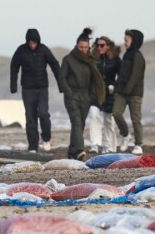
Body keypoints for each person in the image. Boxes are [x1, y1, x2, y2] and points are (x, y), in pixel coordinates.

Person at [10, 28, 64, 153]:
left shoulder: (43, 49)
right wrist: (14, 86)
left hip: (42, 88)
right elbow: (14, 67)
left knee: (43, 114)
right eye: (30, 43)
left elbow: (55, 65)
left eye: (34, 43)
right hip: (27, 89)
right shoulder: (21, 50)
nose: (32, 45)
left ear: (38, 42)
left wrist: (61, 85)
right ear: (27, 42)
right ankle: (33, 146)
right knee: (30, 118)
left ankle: (46, 138)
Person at [60, 29, 105, 161]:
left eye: (86, 47)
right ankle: (79, 151)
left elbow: (94, 79)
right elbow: (62, 78)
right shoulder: (68, 59)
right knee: (76, 123)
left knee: (81, 124)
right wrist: (69, 93)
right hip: (72, 95)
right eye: (81, 47)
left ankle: (71, 151)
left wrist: (91, 94)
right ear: (76, 46)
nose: (83, 50)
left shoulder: (90, 60)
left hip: (85, 96)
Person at [86, 35, 121, 154]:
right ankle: (95, 143)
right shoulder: (93, 58)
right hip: (96, 91)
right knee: (93, 114)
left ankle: (109, 145)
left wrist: (115, 87)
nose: (99, 47)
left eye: (102, 45)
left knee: (108, 119)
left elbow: (122, 76)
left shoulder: (116, 59)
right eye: (97, 45)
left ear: (108, 46)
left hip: (110, 92)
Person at [113, 29, 145, 154]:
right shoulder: (126, 55)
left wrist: (127, 90)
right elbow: (122, 74)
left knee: (135, 119)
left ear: (134, 41)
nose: (125, 43)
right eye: (125, 40)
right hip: (121, 92)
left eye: (127, 40)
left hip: (135, 94)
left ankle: (138, 145)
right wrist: (117, 88)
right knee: (116, 113)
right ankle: (125, 135)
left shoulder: (138, 56)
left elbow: (135, 76)